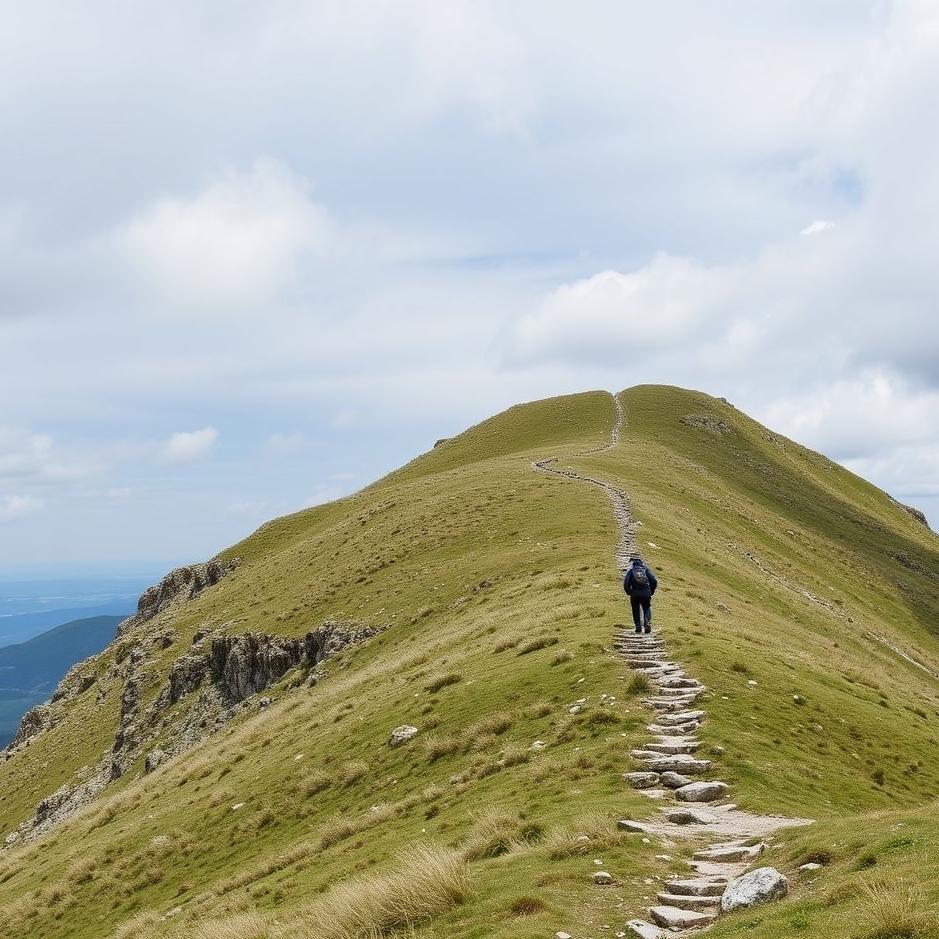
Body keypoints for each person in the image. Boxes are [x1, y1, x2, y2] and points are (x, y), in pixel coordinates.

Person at [623, 556, 657, 634]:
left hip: (634, 594)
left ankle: (638, 627)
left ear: (633, 565)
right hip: (646, 594)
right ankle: (647, 625)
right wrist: (651, 591)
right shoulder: (646, 571)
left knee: (635, 610)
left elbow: (626, 583)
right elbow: (654, 581)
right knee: (646, 608)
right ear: (642, 564)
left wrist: (629, 592)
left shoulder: (631, 572)